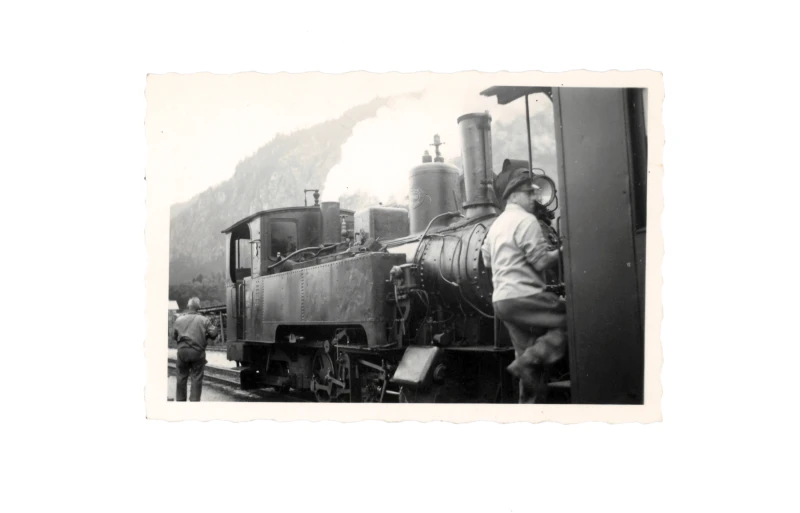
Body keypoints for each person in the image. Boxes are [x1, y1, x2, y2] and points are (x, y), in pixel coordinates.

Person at [481, 168, 567, 403]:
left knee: (531, 365)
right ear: (514, 196)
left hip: (502, 302)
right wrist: (563, 251)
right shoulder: (527, 220)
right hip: (524, 296)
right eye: (528, 193)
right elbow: (540, 262)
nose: (533, 198)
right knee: (573, 318)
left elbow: (486, 260)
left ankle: (528, 409)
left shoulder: (496, 225)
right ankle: (525, 363)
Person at [173, 297, 218, 401]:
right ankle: (194, 402)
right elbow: (213, 334)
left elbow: (174, 336)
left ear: (188, 306)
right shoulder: (204, 320)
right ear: (198, 307)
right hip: (197, 352)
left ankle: (180, 401)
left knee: (181, 377)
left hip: (182, 352)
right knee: (196, 378)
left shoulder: (179, 319)